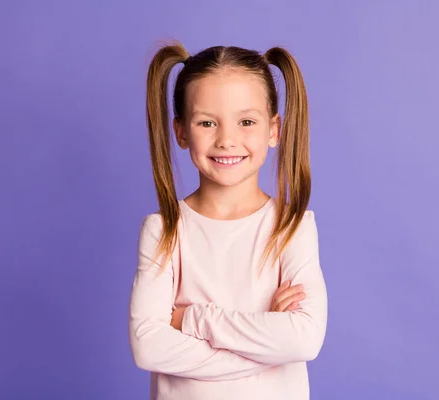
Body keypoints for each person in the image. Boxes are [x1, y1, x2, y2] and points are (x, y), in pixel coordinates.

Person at [129, 41, 328, 400]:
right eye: (207, 122)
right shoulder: (164, 231)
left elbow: (304, 340)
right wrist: (266, 345)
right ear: (181, 132)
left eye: (246, 121)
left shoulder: (292, 226)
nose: (227, 140)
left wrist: (192, 320)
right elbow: (148, 347)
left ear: (273, 129)